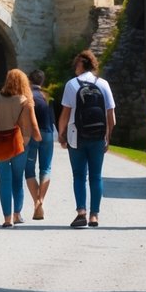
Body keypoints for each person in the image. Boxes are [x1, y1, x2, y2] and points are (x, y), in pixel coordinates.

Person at [57, 49, 116, 228]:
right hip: (98, 136)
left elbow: (65, 113)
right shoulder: (103, 84)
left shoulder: (72, 85)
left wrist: (61, 134)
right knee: (96, 176)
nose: (75, 68)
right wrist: (108, 137)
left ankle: (81, 212)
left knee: (79, 175)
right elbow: (111, 116)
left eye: (76, 64)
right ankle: (94, 216)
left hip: (77, 136)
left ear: (81, 65)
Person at [0, 68, 41, 227]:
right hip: (20, 144)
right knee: (17, 180)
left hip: (0, 143)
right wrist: (38, 139)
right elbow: (32, 124)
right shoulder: (25, 100)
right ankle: (17, 214)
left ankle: (7, 218)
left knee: (4, 181)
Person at [25, 69, 56, 220]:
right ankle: (40, 200)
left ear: (29, 81)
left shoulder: (27, 96)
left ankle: (36, 202)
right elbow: (52, 117)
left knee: (29, 170)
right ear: (42, 82)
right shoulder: (47, 96)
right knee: (46, 168)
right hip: (48, 132)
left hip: (32, 134)